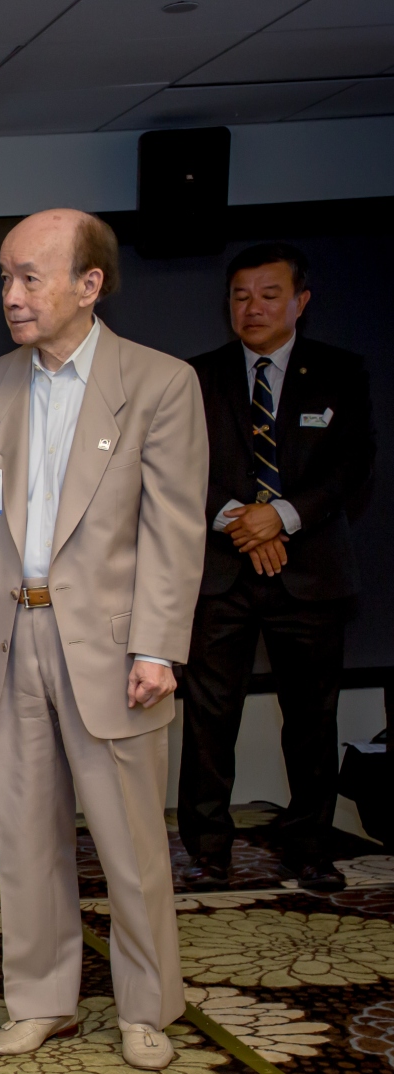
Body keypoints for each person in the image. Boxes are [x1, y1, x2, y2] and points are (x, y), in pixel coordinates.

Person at [0, 210, 206, 1071]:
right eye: (5, 277)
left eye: (31, 277)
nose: (11, 294)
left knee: (131, 845)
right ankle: (42, 1000)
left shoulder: (159, 384)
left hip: (114, 649)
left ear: (90, 285)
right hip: (11, 640)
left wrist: (158, 646)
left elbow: (174, 528)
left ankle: (145, 1007)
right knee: (25, 839)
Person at [178, 243, 374, 893]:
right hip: (220, 574)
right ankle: (207, 851)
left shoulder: (341, 372)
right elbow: (173, 466)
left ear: (300, 301)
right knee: (208, 719)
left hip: (310, 574)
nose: (253, 307)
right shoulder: (196, 377)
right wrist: (243, 520)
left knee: (312, 720)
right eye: (240, 296)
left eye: (268, 294)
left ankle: (309, 848)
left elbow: (352, 465)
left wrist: (283, 516)